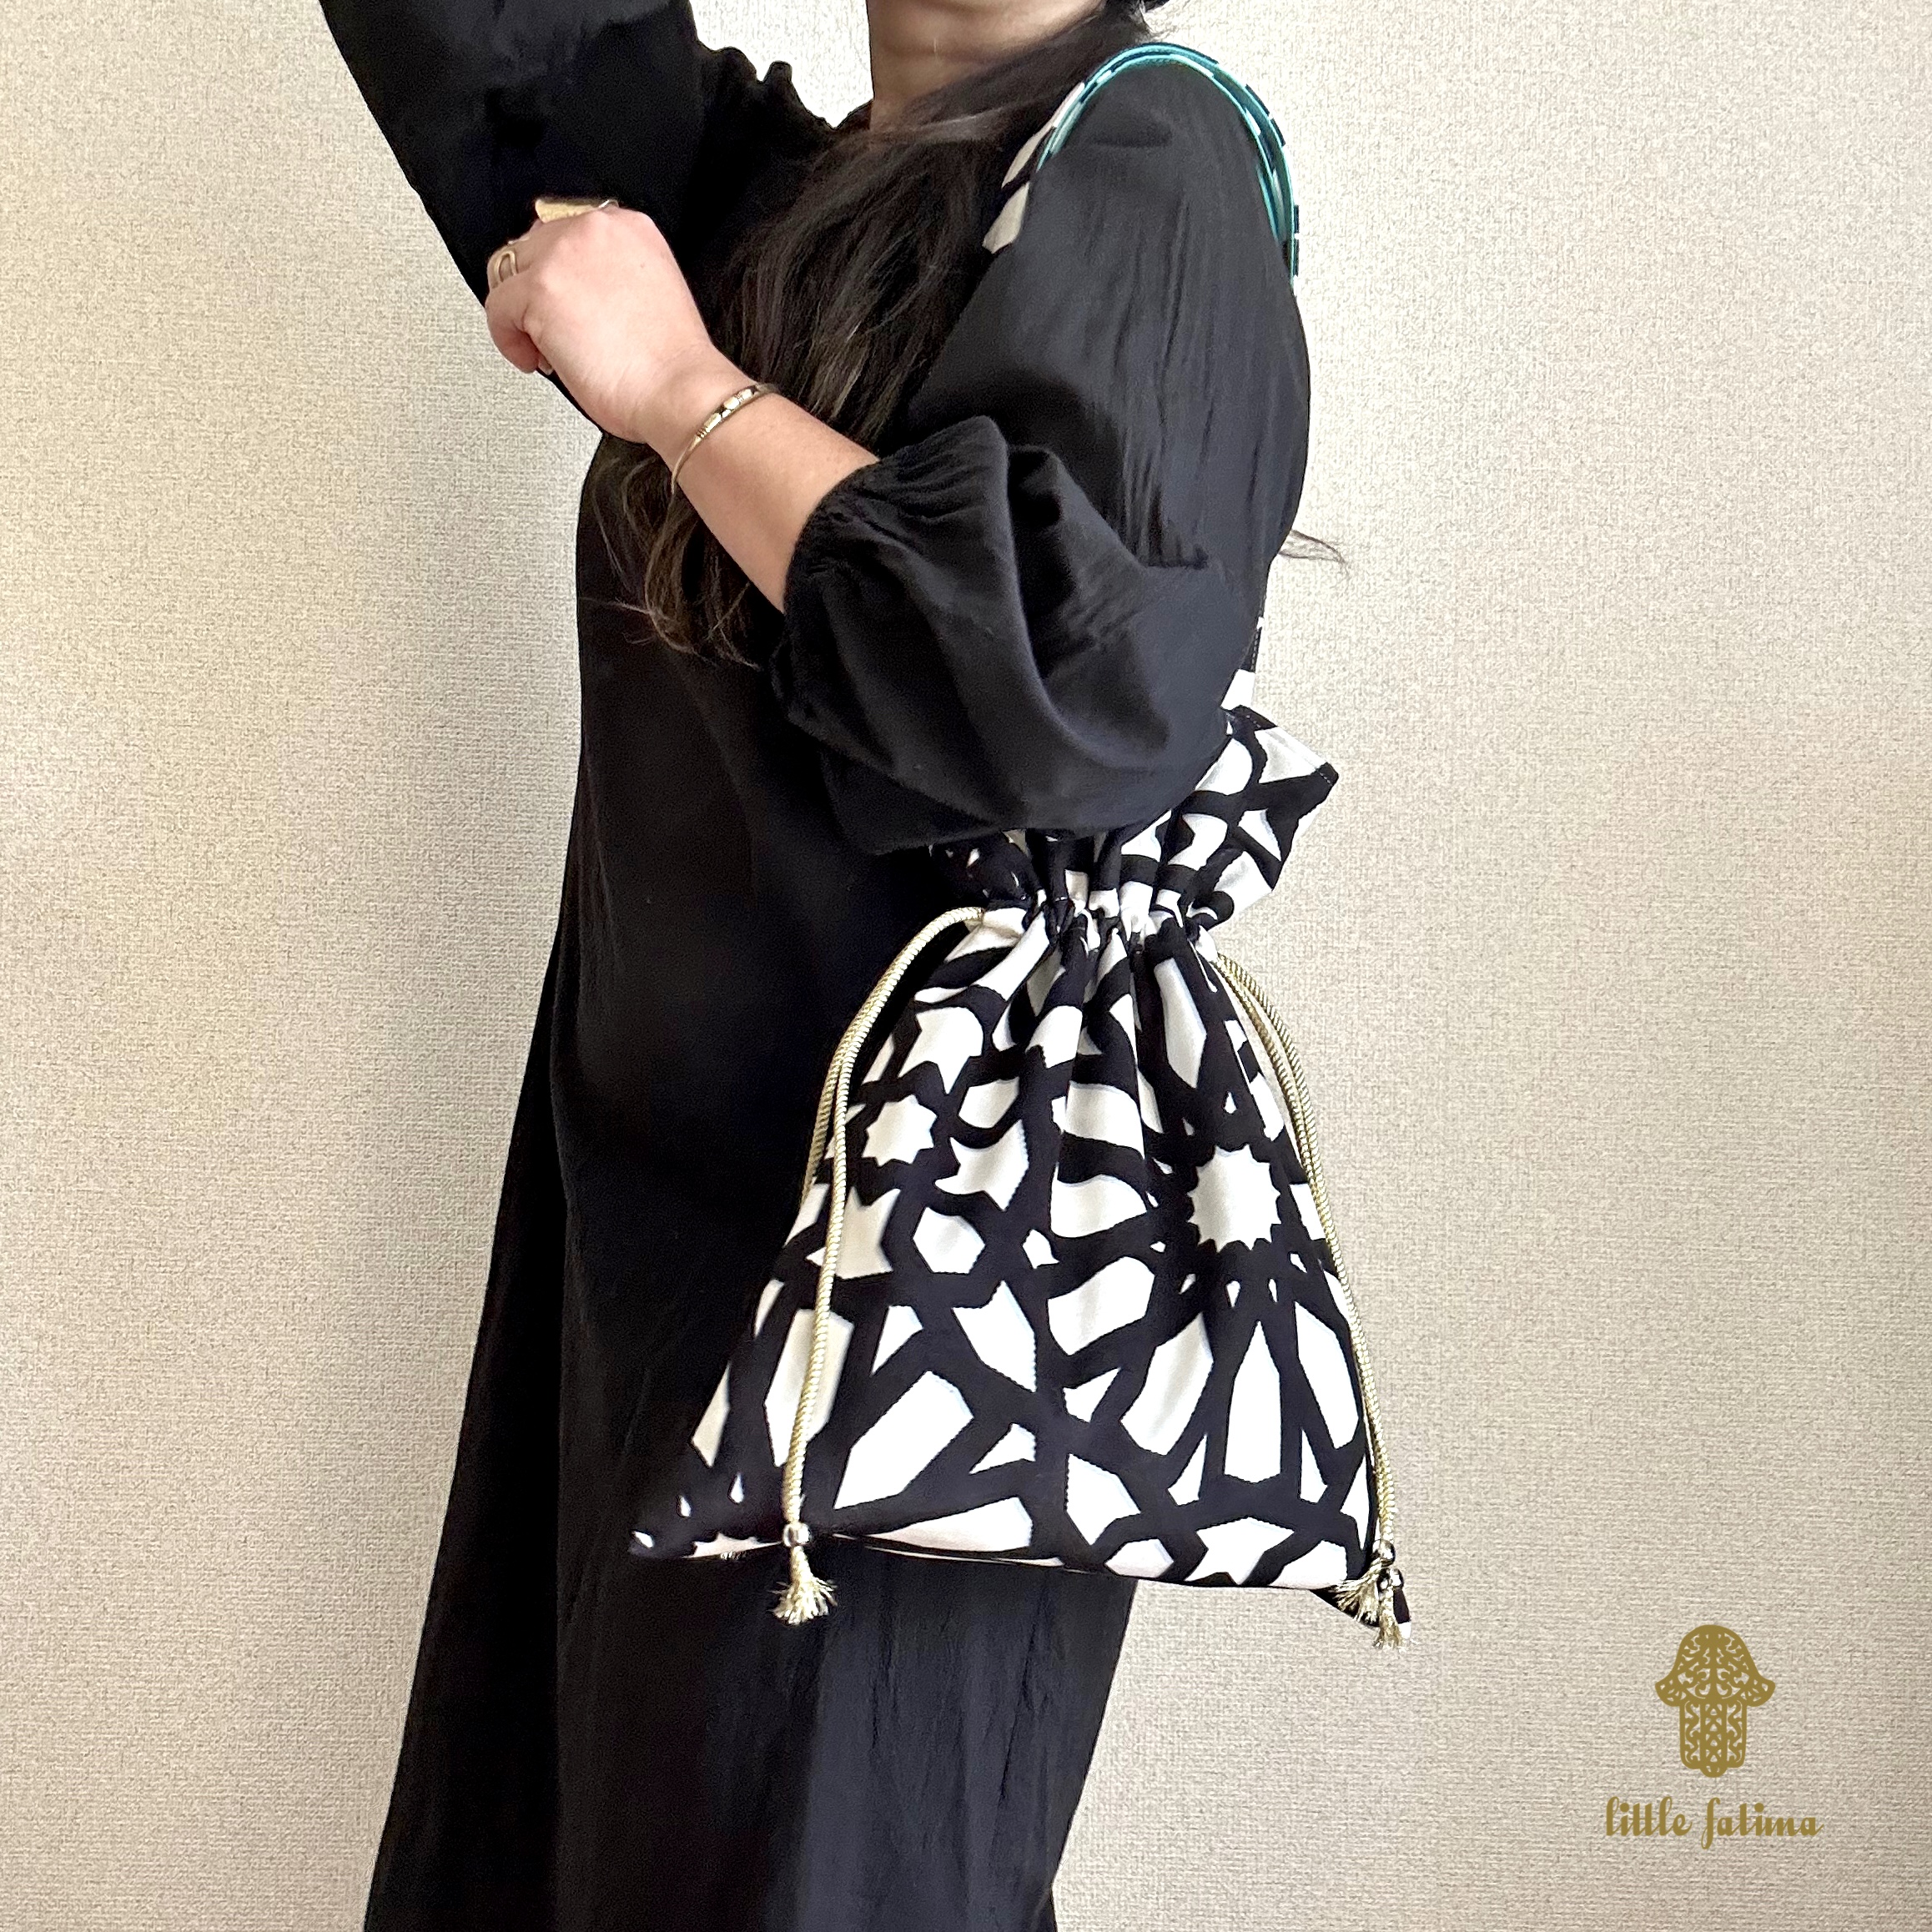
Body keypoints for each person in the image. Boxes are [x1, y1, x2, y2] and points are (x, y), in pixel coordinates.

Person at [318, 0, 1314, 1924]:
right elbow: (514, 59)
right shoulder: (779, 191)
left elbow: (1074, 694)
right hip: (661, 1252)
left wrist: (687, 389)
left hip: (903, 1309)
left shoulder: (1148, 162)